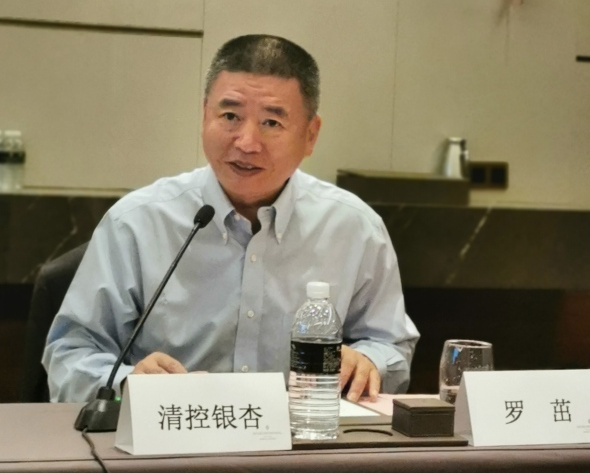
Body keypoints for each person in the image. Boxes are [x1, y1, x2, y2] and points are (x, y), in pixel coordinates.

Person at [42, 34, 419, 403]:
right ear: (205, 115)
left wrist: (368, 362)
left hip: (304, 436)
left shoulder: (354, 228)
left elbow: (391, 345)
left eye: (271, 123)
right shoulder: (138, 223)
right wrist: (130, 385)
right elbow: (70, 353)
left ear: (310, 135)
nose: (247, 142)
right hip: (173, 436)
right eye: (230, 116)